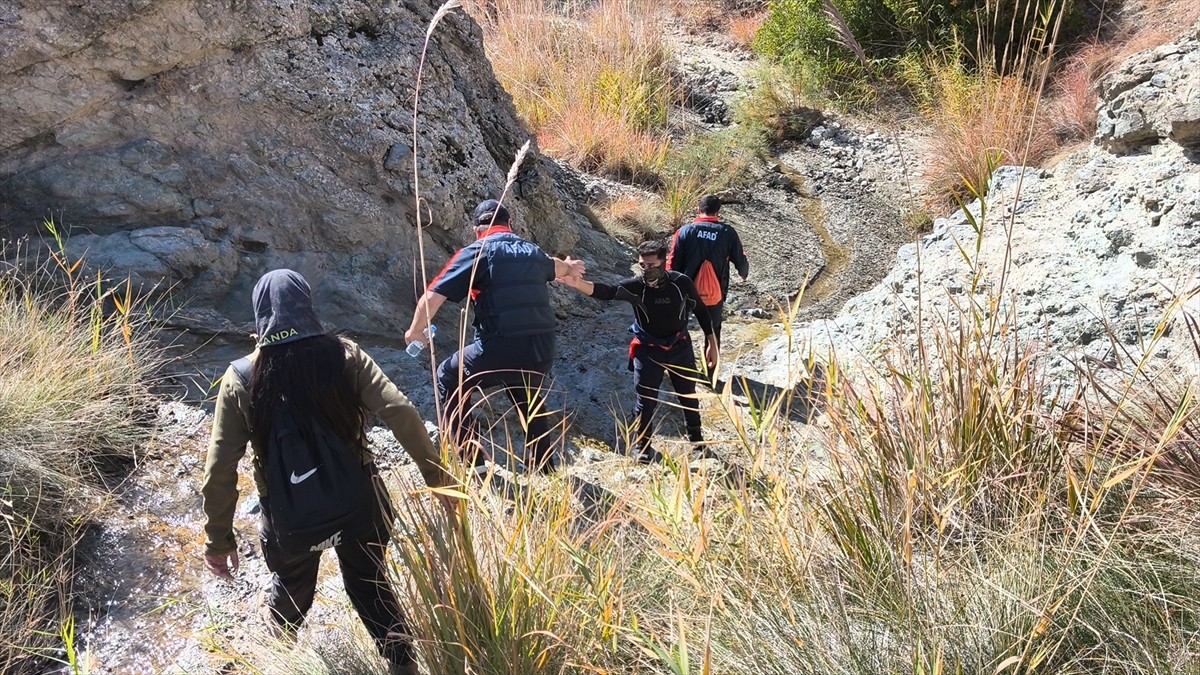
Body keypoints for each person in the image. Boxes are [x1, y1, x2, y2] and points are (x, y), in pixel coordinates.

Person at [202, 269, 449, 675]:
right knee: (369, 582)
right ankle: (403, 665)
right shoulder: (345, 354)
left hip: (291, 519)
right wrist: (437, 479)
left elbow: (220, 469)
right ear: (307, 304)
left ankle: (276, 658)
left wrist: (218, 540)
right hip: (361, 505)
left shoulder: (241, 378)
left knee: (292, 588)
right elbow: (400, 411)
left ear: (259, 315)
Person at [405, 199, 585, 474]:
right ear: (510, 225)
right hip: (542, 348)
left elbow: (432, 296)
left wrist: (415, 331)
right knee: (528, 393)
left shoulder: (477, 251)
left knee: (448, 377)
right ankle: (544, 468)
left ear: (476, 229)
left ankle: (473, 463)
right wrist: (572, 268)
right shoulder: (533, 251)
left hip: (501, 345)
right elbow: (557, 266)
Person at [558, 240, 717, 463]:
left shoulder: (681, 283)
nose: (647, 270)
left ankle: (697, 441)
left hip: (680, 347)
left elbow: (700, 309)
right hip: (647, 350)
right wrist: (577, 284)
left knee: (688, 395)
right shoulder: (637, 287)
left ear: (664, 263)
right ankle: (642, 448)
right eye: (643, 265)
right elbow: (608, 291)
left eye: (652, 265)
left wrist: (712, 342)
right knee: (646, 400)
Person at [666, 194, 750, 346]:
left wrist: (668, 288)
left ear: (698, 210)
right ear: (718, 212)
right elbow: (740, 259)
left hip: (685, 291)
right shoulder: (728, 233)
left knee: (678, 330)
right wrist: (743, 273)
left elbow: (672, 262)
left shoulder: (684, 231)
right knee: (713, 332)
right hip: (714, 291)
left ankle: (680, 364)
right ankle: (711, 368)